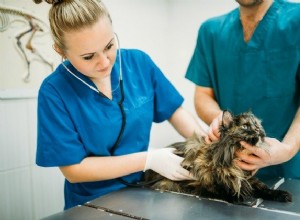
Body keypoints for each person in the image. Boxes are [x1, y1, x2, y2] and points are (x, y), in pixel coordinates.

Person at [34, 0, 205, 210]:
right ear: (61, 51)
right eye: (88, 57)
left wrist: (210, 146)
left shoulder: (139, 63)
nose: (104, 62)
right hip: (92, 204)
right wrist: (147, 160)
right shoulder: (54, 91)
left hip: (145, 192)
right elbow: (73, 170)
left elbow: (174, 111)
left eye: (109, 46)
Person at [186, 0, 300, 180]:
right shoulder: (211, 31)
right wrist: (220, 118)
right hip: (231, 169)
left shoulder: (296, 20)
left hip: (290, 169)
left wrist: (287, 150)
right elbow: (202, 95)